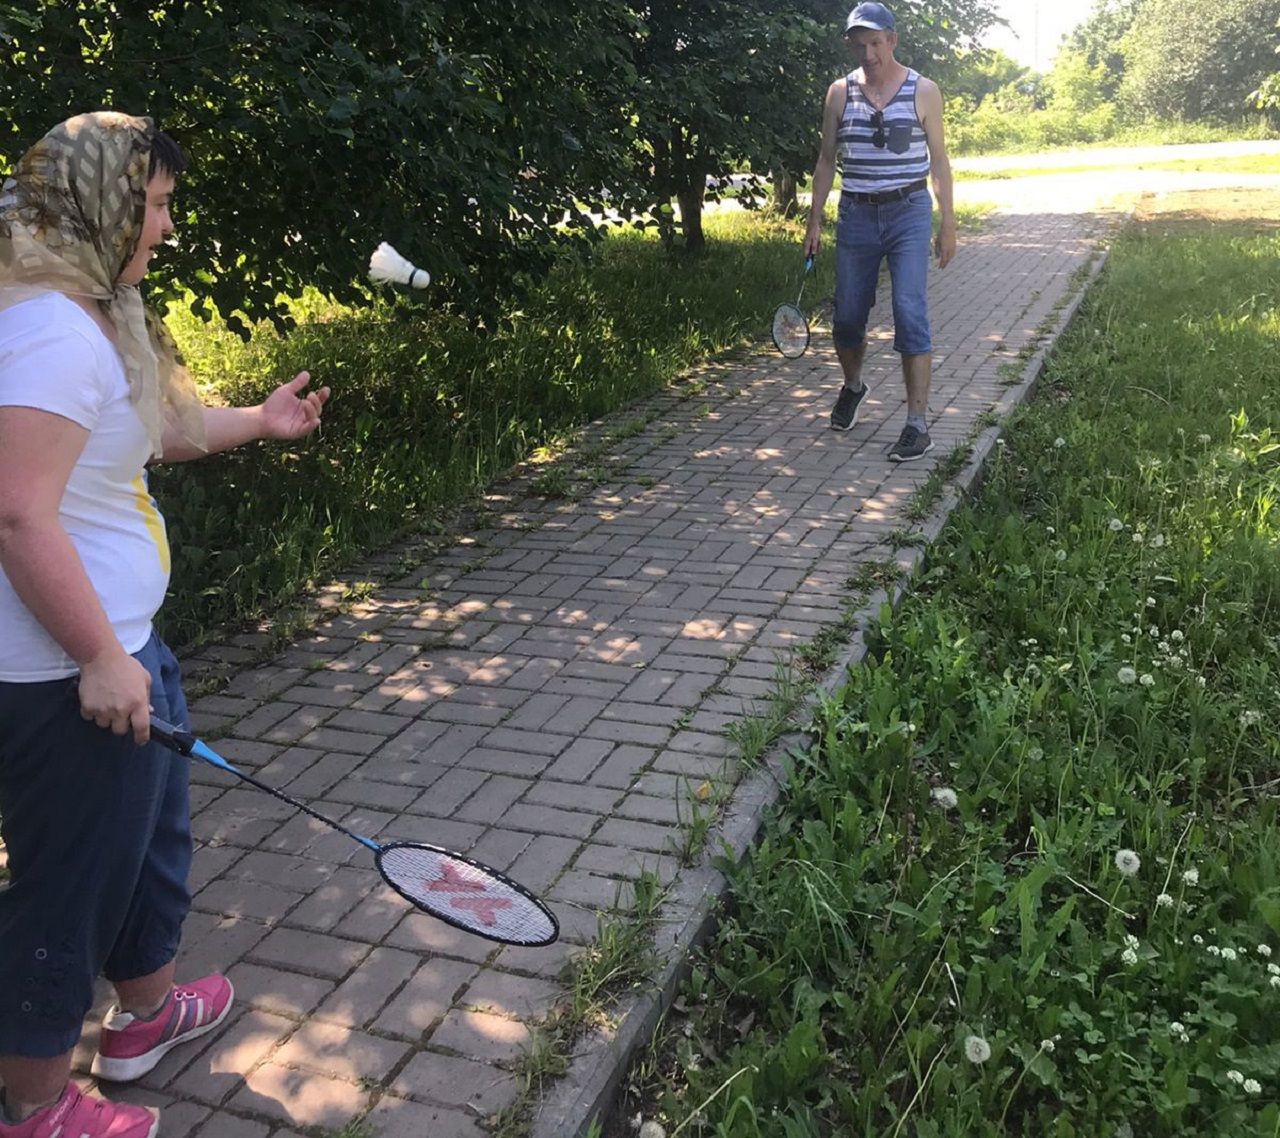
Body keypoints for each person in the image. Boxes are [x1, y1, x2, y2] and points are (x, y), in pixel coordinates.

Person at [0, 112, 329, 1138]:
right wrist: (99, 656)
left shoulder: (93, 310)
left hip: (121, 650)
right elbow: (15, 506)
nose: (168, 227)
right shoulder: (50, 332)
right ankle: (34, 1103)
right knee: (71, 887)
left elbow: (159, 431)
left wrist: (260, 423)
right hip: (67, 674)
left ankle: (145, 1018)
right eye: (155, 205)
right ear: (97, 205)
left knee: (147, 851)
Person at [803, 1, 956, 462]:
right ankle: (853, 385)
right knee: (847, 317)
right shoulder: (839, 93)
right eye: (859, 44)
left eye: (876, 43)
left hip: (909, 210)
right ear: (851, 43)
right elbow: (827, 160)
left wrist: (948, 221)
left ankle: (916, 424)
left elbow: (940, 161)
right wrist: (814, 220)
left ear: (891, 41)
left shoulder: (922, 90)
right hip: (856, 214)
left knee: (909, 310)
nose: (868, 53)